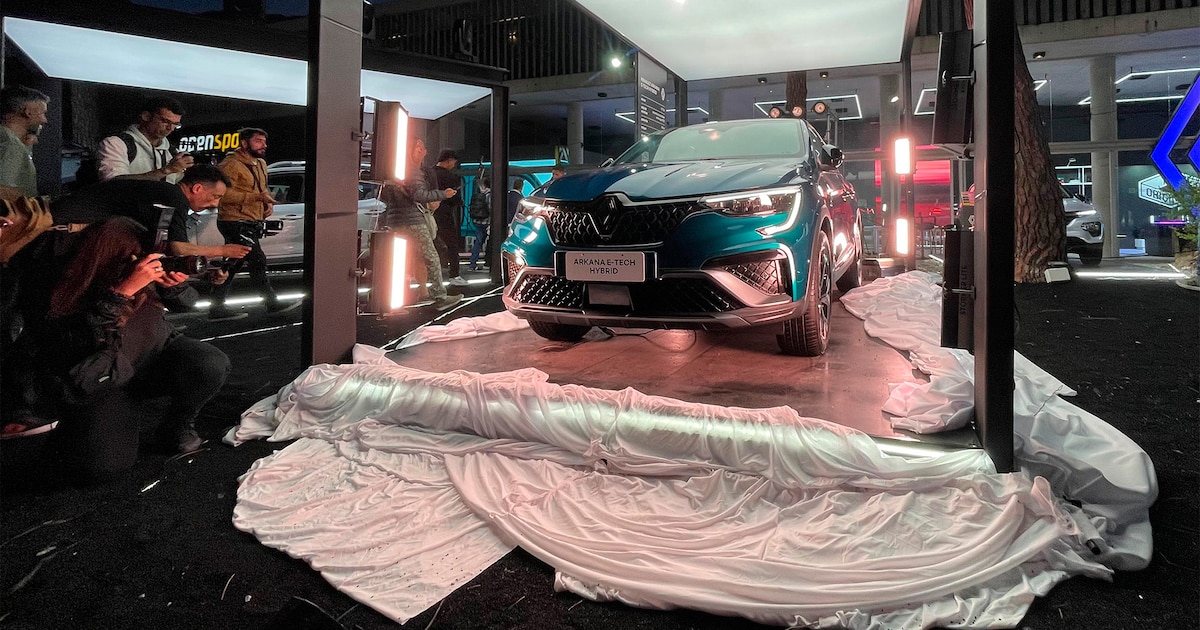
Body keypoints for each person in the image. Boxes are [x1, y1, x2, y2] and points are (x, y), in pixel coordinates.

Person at [28, 216, 230, 480]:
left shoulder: (145, 276)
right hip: (107, 376)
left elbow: (189, 302)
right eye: (136, 257)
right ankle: (75, 431)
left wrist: (173, 288)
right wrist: (120, 293)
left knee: (209, 363)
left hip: (153, 357)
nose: (144, 264)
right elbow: (86, 341)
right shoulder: (74, 283)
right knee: (102, 467)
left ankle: (175, 428)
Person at [211, 128, 296, 319]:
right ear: (244, 143)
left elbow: (262, 188)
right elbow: (221, 194)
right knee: (256, 260)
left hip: (251, 219)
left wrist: (266, 203)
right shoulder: (230, 164)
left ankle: (216, 308)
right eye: (258, 141)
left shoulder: (261, 163)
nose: (263, 145)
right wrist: (255, 198)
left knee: (234, 263)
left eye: (264, 141)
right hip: (234, 220)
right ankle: (272, 303)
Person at [379, 139, 462, 311]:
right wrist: (443, 194)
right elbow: (420, 195)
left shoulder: (394, 171)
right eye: (419, 148)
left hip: (393, 221)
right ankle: (439, 296)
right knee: (430, 257)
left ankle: (394, 297)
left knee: (400, 260)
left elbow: (385, 196)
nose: (423, 151)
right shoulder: (413, 171)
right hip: (413, 220)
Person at [97, 96, 194, 184]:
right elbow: (113, 182)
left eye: (175, 124)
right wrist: (166, 170)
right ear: (146, 116)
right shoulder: (117, 143)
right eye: (165, 121)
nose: (170, 128)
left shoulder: (171, 152)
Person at [0, 86, 49, 198]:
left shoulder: (12, 141)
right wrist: (33, 204)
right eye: (43, 113)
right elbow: (4, 190)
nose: (44, 120)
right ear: (29, 113)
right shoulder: (10, 144)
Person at [432, 148, 468, 286]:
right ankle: (454, 275)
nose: (454, 165)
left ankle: (419, 274)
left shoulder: (429, 173)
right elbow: (455, 199)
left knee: (429, 244)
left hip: (428, 214)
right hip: (444, 214)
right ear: (449, 160)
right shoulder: (450, 177)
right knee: (452, 244)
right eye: (454, 162)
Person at [467, 177, 491, 271]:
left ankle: (472, 264)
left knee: (478, 242)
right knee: (489, 243)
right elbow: (491, 209)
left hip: (477, 221)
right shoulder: (489, 195)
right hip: (487, 222)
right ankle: (487, 262)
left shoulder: (480, 194)